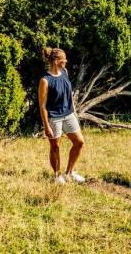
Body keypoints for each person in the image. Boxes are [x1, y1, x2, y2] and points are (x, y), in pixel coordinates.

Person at [38, 47, 85, 184]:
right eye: (64, 58)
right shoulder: (45, 80)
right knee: (55, 147)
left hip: (69, 115)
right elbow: (42, 105)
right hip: (54, 117)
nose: (66, 60)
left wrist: (74, 113)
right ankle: (58, 175)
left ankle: (70, 172)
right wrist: (46, 126)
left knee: (79, 142)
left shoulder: (65, 72)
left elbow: (68, 94)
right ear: (56, 60)